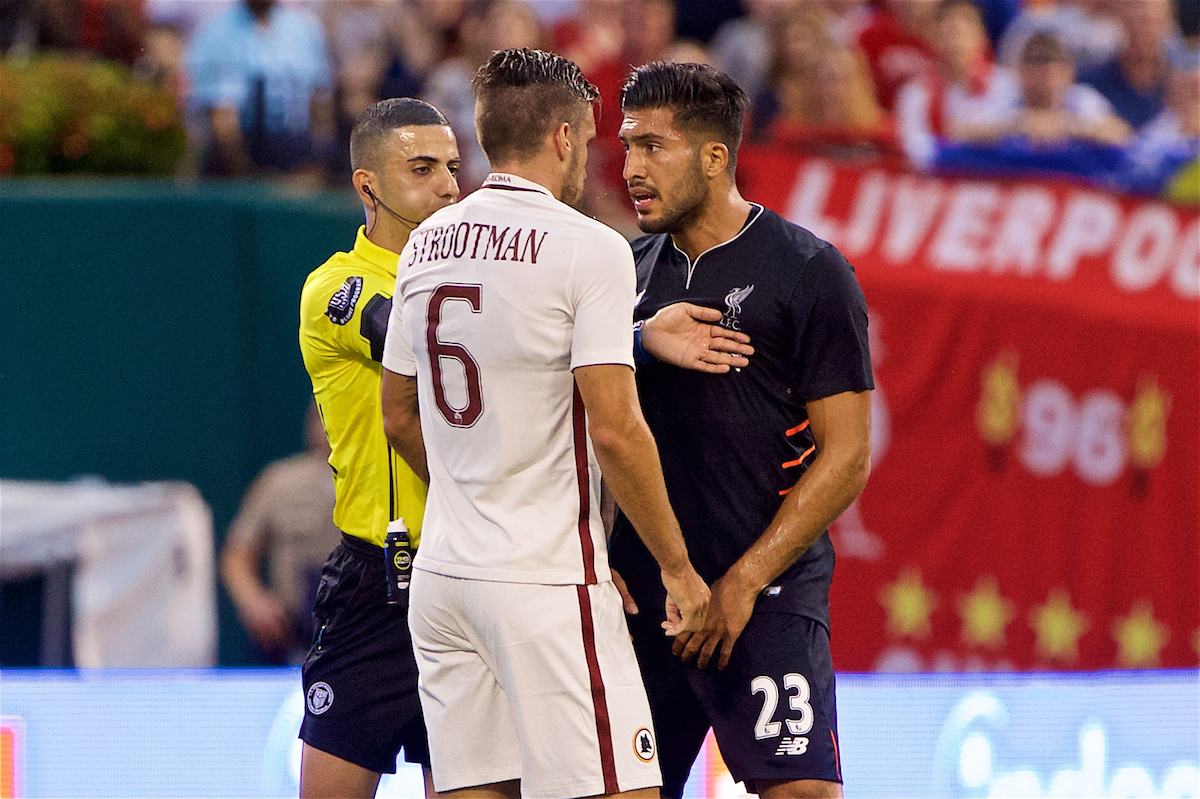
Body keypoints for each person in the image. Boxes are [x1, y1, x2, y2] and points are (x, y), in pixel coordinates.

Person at [378, 47, 711, 799]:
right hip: (542, 577)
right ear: (564, 138)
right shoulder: (589, 247)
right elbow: (616, 428)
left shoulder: (424, 244)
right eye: (591, 142)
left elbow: (398, 414)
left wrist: (472, 490)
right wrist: (676, 568)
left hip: (444, 579)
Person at [610, 62, 874, 799]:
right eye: (628, 146)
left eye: (653, 146)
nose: (631, 167)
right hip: (646, 595)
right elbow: (581, 422)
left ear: (715, 156)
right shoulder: (617, 273)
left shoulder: (810, 271)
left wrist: (743, 582)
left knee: (803, 793)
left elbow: (848, 455)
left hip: (766, 596)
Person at [296, 97, 460, 799]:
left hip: (470, 575)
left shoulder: (478, 281)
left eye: (453, 167)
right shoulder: (336, 286)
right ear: (368, 187)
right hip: (376, 582)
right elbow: (417, 337)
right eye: (422, 169)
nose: (450, 186)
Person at [220, 402, 340, 665]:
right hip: (292, 632)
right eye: (319, 417)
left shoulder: (382, 481)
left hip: (359, 627)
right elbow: (238, 552)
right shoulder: (280, 481)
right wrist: (253, 601)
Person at [185, 0, 335, 178]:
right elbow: (221, 120)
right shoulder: (214, 32)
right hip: (234, 164)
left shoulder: (305, 28)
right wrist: (250, 177)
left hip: (297, 154)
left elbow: (321, 100)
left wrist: (318, 162)